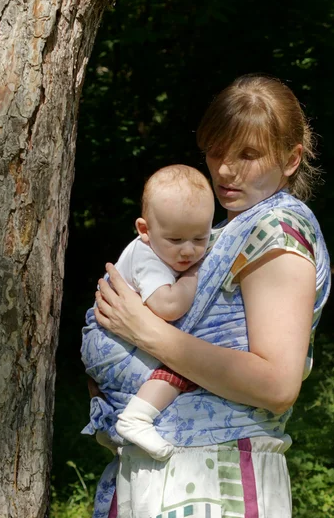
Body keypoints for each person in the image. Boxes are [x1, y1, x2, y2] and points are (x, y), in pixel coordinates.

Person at [86, 74, 331, 518]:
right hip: (172, 470)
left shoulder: (275, 230)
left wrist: (143, 330)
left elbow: (277, 384)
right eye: (215, 151)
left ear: (292, 159)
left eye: (248, 154)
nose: (223, 170)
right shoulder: (222, 234)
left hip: (216, 478)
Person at [102, 165, 214, 460]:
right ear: (144, 230)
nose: (188, 251)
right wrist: (193, 275)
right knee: (180, 364)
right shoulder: (146, 256)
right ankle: (135, 419)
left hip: (112, 335)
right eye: (176, 240)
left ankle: (108, 423)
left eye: (200, 239)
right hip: (109, 339)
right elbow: (168, 306)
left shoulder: (161, 247)